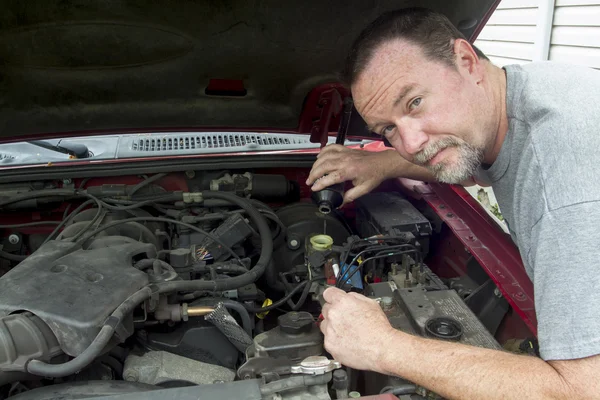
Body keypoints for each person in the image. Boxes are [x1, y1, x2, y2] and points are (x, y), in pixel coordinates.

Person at [306, 7, 600, 399]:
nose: (410, 144)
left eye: (413, 103)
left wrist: (384, 347)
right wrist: (383, 161)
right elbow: (476, 161)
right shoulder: (517, 95)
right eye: (388, 129)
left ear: (466, 61)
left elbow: (582, 392)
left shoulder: (566, 190)